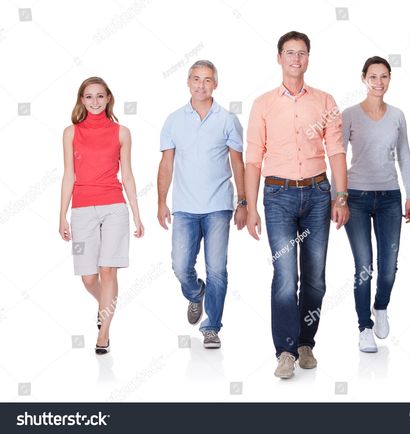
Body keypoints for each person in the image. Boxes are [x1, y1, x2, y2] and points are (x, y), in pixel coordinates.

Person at [245, 31, 349, 379]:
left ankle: (306, 343)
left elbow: (336, 150)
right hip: (277, 197)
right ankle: (285, 351)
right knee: (286, 277)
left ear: (308, 58)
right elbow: (253, 159)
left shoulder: (324, 101)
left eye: (301, 53)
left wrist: (341, 196)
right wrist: (250, 206)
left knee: (316, 279)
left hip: (319, 195)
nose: (295, 58)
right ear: (279, 58)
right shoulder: (262, 104)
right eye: (289, 53)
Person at [157, 60, 246, 349]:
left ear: (215, 85)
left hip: (219, 205)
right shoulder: (173, 120)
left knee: (217, 268)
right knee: (180, 266)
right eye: (196, 78)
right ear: (188, 81)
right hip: (184, 206)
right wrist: (161, 201)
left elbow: (238, 163)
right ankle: (196, 294)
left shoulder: (228, 120)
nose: (201, 84)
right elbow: (166, 164)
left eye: (208, 80)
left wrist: (243, 201)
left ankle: (212, 326)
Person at [59, 77, 144, 355]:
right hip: (82, 208)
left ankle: (103, 334)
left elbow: (128, 176)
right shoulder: (71, 133)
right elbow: (69, 175)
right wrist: (62, 216)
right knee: (87, 277)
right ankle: (104, 305)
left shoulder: (122, 132)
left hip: (114, 207)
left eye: (99, 96)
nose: (94, 102)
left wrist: (137, 214)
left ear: (108, 98)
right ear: (81, 100)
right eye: (88, 97)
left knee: (108, 270)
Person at [339, 56, 410, 353]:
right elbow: (337, 156)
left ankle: (380, 306)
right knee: (364, 266)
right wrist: (339, 196)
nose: (379, 82)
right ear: (363, 78)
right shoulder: (349, 115)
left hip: (389, 199)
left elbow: (405, 154)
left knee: (388, 268)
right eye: (373, 77)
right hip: (356, 197)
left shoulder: (397, 115)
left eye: (384, 77)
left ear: (389, 80)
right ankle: (364, 327)